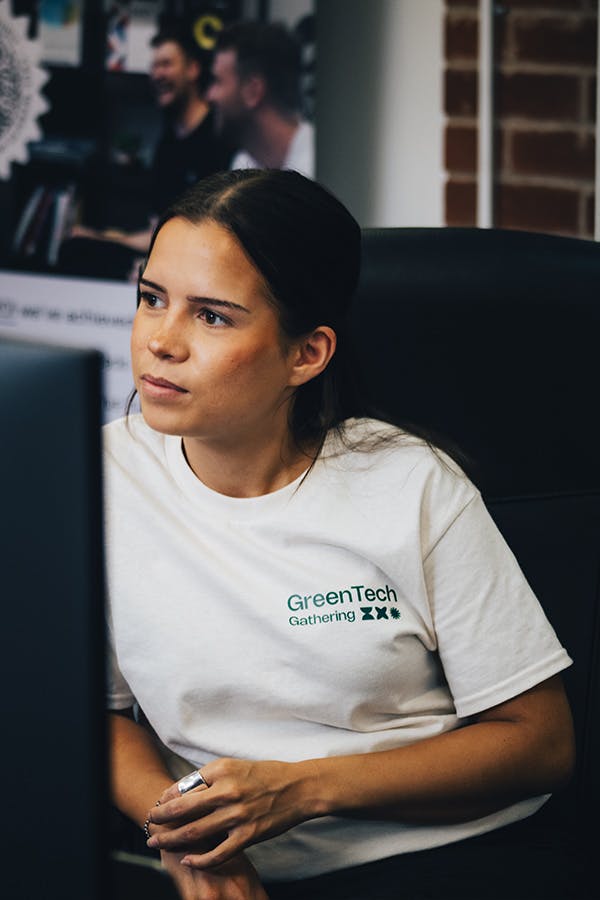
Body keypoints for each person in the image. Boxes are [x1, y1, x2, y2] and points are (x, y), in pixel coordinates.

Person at [104, 169, 575, 900]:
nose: (161, 341)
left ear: (306, 354)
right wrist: (190, 837)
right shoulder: (98, 476)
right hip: (232, 869)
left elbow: (541, 743)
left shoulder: (411, 484)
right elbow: (94, 716)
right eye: (152, 298)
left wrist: (299, 790)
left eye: (214, 316)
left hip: (449, 856)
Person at [62, 27, 232, 279]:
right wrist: (98, 237)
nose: (157, 74)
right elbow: (158, 232)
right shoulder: (167, 145)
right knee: (76, 248)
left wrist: (155, 268)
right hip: (166, 255)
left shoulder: (219, 137)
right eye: (153, 66)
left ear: (193, 69)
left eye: (166, 64)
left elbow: (219, 236)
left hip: (205, 265)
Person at [206, 22, 314, 178]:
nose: (209, 95)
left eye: (218, 81)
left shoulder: (317, 166)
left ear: (253, 90)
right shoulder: (243, 164)